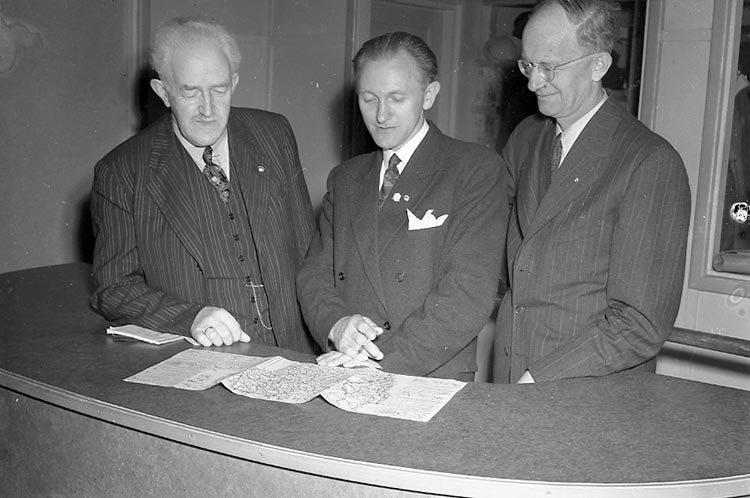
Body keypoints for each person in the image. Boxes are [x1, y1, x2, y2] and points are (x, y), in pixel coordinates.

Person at [90, 16, 318, 353]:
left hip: (295, 352)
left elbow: (309, 250)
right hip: (208, 359)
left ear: (234, 83)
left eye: (219, 90)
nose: (208, 109)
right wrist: (189, 317)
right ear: (163, 92)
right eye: (190, 92)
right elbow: (113, 289)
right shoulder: (122, 171)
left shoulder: (274, 134)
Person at [493, 0, 691, 383]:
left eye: (549, 67)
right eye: (528, 65)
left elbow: (639, 324)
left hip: (585, 390)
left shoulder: (649, 161)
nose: (533, 83)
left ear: (598, 65)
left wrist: (538, 377)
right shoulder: (528, 136)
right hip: (510, 375)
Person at [296, 32, 505, 381]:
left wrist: (380, 363)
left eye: (396, 98)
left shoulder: (474, 169)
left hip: (426, 377)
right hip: (345, 367)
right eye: (368, 99)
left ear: (429, 95)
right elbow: (314, 274)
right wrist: (336, 324)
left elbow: (467, 293)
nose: (381, 115)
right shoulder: (345, 178)